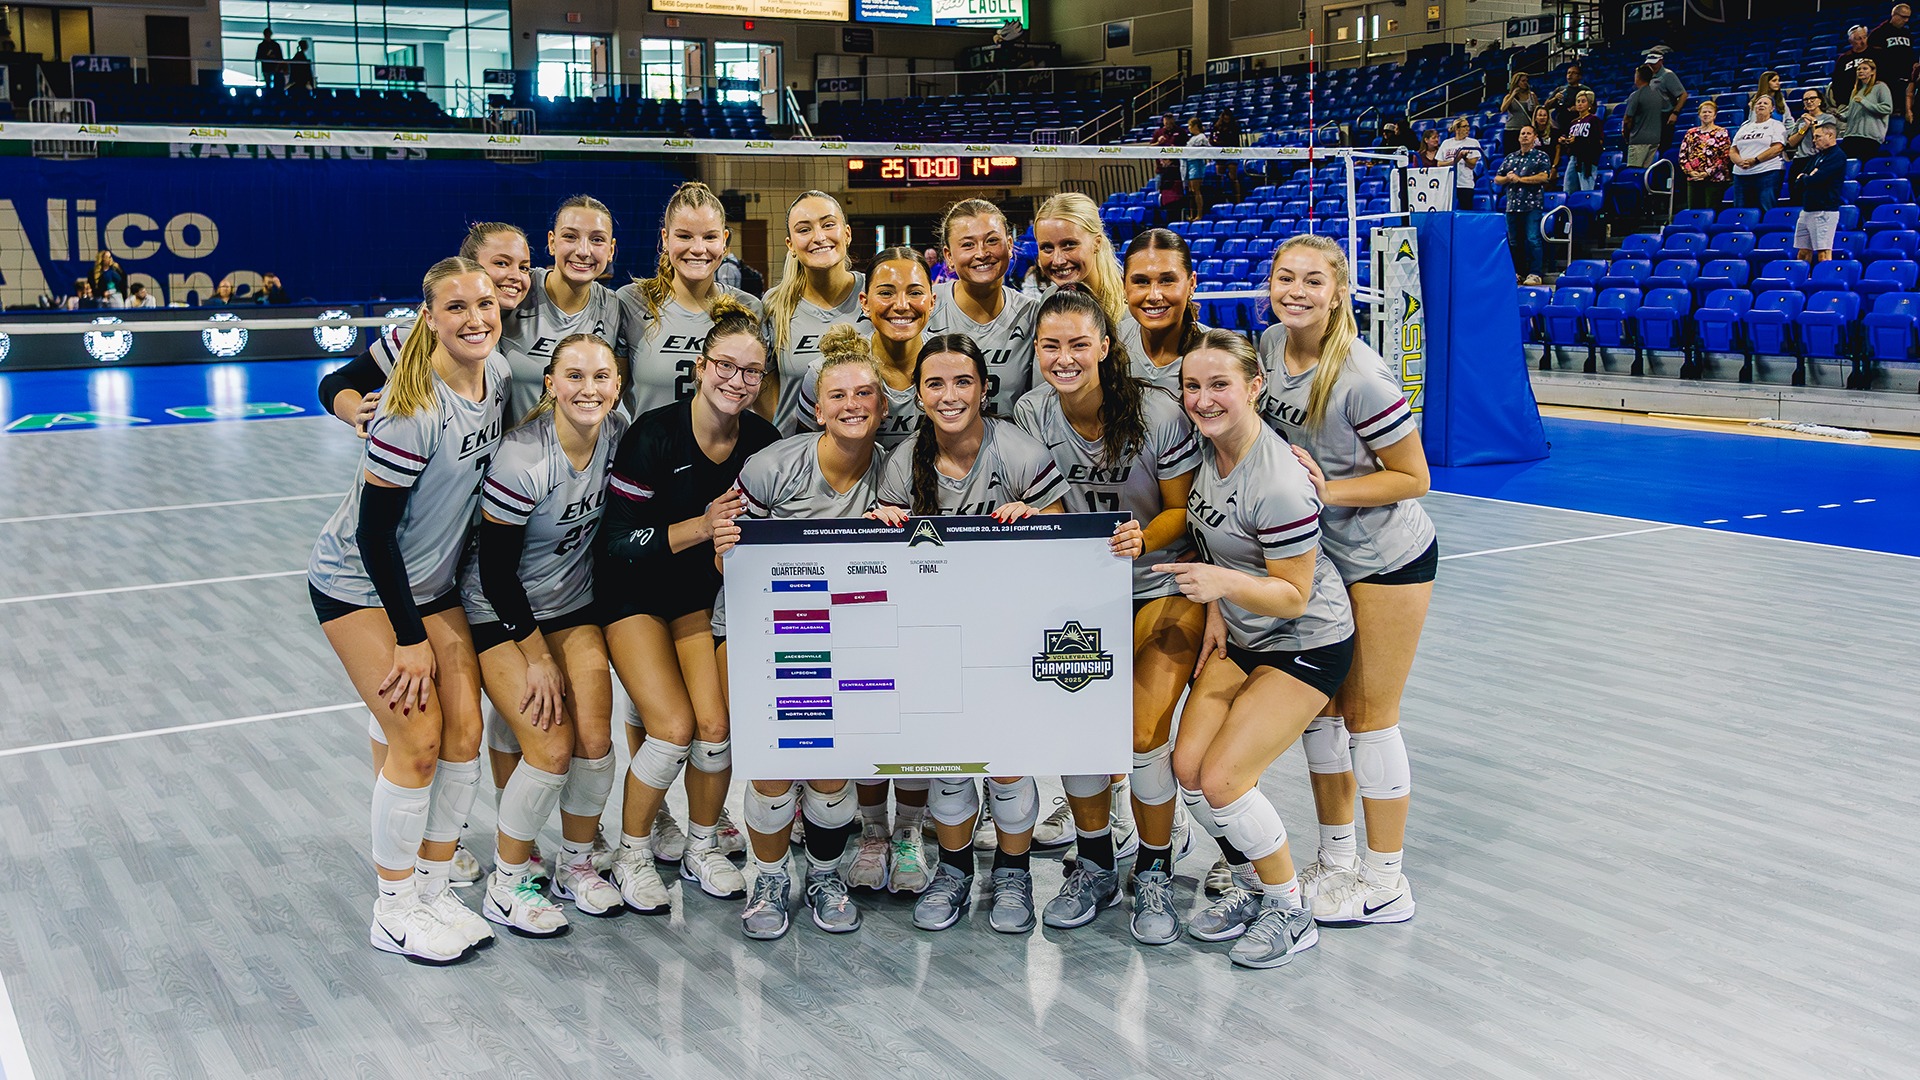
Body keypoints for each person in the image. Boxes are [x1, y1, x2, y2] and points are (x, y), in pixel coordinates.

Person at [307, 255, 509, 964]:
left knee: (463, 740)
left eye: (485, 303)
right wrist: (407, 637)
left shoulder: (501, 379)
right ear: (427, 319)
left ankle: (431, 891)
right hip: (361, 585)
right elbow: (371, 534)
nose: (475, 318)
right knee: (418, 744)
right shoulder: (410, 410)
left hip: (433, 582)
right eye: (456, 308)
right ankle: (392, 910)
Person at [1159, 328, 1355, 970]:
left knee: (1223, 778)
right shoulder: (1205, 448)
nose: (1205, 398)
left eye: (1221, 385)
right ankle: (1248, 885)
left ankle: (1289, 907)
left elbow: (1295, 595)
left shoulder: (1277, 480)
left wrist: (1222, 586)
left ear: (1255, 387)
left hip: (1305, 641)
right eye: (1194, 384)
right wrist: (1217, 604)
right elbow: (1216, 542)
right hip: (1241, 630)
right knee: (1186, 769)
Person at [1254, 234, 1434, 932]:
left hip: (1384, 559)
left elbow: (1414, 477)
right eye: (1283, 277)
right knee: (1322, 717)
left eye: (1310, 281)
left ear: (1339, 292)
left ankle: (1387, 880)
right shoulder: (1268, 349)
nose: (1294, 291)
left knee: (1369, 716)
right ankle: (1335, 860)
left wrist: (1327, 492)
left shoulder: (1360, 376)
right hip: (1319, 562)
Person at [868, 335, 1075, 934]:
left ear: (985, 388)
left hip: (1009, 627)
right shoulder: (904, 460)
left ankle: (1013, 873)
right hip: (934, 633)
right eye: (935, 383)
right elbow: (884, 564)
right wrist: (882, 525)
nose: (950, 394)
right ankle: (954, 868)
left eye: (963, 382)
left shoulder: (1018, 451)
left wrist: (1038, 521)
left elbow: (1066, 540)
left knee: (1008, 763)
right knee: (951, 763)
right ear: (917, 393)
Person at [1013, 287, 1199, 944]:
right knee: (1077, 725)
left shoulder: (1156, 412)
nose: (1063, 357)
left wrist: (1143, 536)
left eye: (1076, 344)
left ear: (1104, 348)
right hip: (1077, 591)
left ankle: (1151, 868)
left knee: (1143, 731)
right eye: (1050, 345)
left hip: (1158, 583)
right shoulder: (1031, 413)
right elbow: (1030, 503)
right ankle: (1094, 864)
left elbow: (1183, 509)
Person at [598, 295, 780, 915]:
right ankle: (632, 854)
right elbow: (617, 542)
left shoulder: (763, 441)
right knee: (672, 729)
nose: (737, 380)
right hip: (634, 595)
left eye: (751, 371)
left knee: (716, 728)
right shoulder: (653, 434)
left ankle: (703, 847)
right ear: (701, 366)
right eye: (725, 366)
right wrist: (700, 528)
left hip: (701, 600)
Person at [711, 325, 888, 940]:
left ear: (882, 405)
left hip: (850, 633)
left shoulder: (896, 475)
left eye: (865, 393)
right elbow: (723, 556)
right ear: (818, 408)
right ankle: (768, 876)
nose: (852, 404)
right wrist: (727, 545)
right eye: (838, 394)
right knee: (774, 760)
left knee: (833, 768)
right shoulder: (771, 467)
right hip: (764, 629)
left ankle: (824, 873)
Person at [463, 333, 627, 935]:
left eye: (602, 377)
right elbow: (496, 573)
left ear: (618, 385)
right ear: (551, 385)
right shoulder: (521, 460)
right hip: (496, 610)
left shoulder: (617, 431)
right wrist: (535, 656)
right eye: (575, 377)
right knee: (551, 747)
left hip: (572, 603)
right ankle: (509, 884)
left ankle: (577, 865)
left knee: (593, 741)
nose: (590, 389)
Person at [322, 222, 532, 439]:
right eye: (502, 263)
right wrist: (363, 415)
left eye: (524, 267)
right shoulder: (419, 334)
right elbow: (335, 383)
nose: (516, 275)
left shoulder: (518, 326)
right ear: (468, 266)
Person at [618, 181, 765, 418]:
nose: (698, 248)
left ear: (725, 240)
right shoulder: (632, 302)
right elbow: (609, 394)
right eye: (685, 236)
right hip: (648, 452)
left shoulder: (749, 309)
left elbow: (764, 405)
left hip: (725, 453)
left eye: (709, 237)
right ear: (665, 239)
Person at [501, 196, 625, 425]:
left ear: (611, 250)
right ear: (551, 242)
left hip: (581, 453)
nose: (583, 251)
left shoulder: (614, 307)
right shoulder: (517, 289)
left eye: (597, 240)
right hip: (514, 454)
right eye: (570, 236)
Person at [800, 247, 931, 455]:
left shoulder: (951, 364)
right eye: (886, 293)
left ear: (932, 302)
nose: (901, 305)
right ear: (865, 303)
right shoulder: (825, 373)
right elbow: (805, 451)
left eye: (915, 293)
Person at [760, 189, 866, 436]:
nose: (819, 237)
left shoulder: (876, 296)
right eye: (804, 229)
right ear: (791, 245)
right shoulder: (774, 305)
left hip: (863, 452)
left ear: (847, 234)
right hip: (794, 457)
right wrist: (787, 431)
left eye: (828, 225)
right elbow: (765, 384)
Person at [925, 198, 1037, 421]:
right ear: (948, 257)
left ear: (1010, 245)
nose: (982, 253)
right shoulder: (927, 308)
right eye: (968, 244)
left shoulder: (1032, 315)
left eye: (992, 241)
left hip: (1011, 445)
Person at [1119, 228, 1209, 393]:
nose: (1154, 296)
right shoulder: (1107, 345)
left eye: (1167, 280)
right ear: (1124, 286)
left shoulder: (1220, 354)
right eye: (1141, 281)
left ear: (1191, 283)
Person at [1033, 192, 1129, 331]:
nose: (1058, 260)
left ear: (1097, 243)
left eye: (1069, 244)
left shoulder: (1131, 306)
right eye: (1047, 248)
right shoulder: (1049, 298)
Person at [1494, 125, 1553, 285]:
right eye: (1522, 133)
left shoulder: (1541, 156)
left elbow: (1544, 177)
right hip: (1512, 205)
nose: (1525, 136)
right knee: (1514, 241)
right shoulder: (1511, 157)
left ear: (1535, 137)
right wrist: (1507, 178)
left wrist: (1520, 179)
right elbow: (1497, 179)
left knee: (1533, 239)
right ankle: (1517, 272)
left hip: (1532, 204)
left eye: (1528, 133)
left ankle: (1535, 273)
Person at [1796, 120, 1848, 264]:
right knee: (1803, 251)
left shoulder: (1837, 156)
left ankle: (1825, 282)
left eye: (1818, 137)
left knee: (1823, 252)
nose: (1814, 140)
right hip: (1807, 209)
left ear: (1830, 135)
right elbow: (1800, 178)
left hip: (1824, 211)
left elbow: (1816, 179)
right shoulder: (1818, 156)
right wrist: (1807, 177)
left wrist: (1807, 178)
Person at [1729, 96, 1788, 212]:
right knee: (1741, 211)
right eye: (1759, 103)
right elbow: (1733, 149)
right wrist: (1739, 162)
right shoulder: (1745, 126)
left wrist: (1755, 160)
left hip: (1767, 172)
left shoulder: (1776, 125)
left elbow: (1778, 147)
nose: (1761, 105)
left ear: (1772, 109)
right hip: (1741, 174)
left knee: (1765, 207)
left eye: (1765, 103)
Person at [1678, 100, 1734, 211]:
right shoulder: (1691, 133)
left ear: (1715, 115)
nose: (1706, 114)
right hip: (1693, 178)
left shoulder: (1721, 132)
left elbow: (1724, 157)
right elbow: (1683, 155)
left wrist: (1707, 173)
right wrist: (1690, 172)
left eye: (1709, 112)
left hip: (1715, 178)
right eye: (1704, 112)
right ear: (1699, 115)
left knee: (1711, 210)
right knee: (1694, 210)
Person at [1838, 58, 1894, 160]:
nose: (1860, 71)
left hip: (1870, 137)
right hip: (1851, 136)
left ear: (1872, 71)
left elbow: (1887, 109)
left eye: (1865, 68)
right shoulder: (1855, 91)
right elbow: (1850, 113)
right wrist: (1840, 116)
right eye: (1858, 69)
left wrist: (1864, 102)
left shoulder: (1880, 87)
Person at [1871, 4, 1915, 123]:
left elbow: (1911, 55)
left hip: (1906, 81)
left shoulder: (1907, 34)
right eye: (1903, 17)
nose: (1906, 20)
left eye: (1908, 18)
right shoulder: (1878, 33)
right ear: (1894, 15)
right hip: (1887, 81)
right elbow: (1875, 59)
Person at [1559, 91, 1602, 193]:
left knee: (1586, 188)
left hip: (1588, 159)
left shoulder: (1594, 120)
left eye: (1583, 101)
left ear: (1590, 104)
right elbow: (1569, 137)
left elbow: (1597, 141)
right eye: (1578, 101)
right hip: (1574, 158)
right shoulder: (1573, 122)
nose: (1580, 103)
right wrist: (1565, 140)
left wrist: (1577, 140)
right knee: (1568, 188)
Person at [1624, 65, 1665, 169]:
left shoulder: (1636, 95)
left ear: (1638, 77)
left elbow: (1627, 119)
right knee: (1647, 174)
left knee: (1635, 172)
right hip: (1655, 139)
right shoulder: (1658, 95)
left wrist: (1626, 135)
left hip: (1638, 140)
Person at [1646, 51, 1689, 151]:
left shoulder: (1668, 75)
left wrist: (1675, 113)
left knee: (1663, 146)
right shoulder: (1647, 76)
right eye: (1649, 63)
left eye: (1654, 62)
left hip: (1665, 116)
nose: (1651, 65)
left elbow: (1683, 95)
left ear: (1661, 61)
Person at [1436, 117, 1483, 209]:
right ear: (1457, 129)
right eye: (1464, 126)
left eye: (1468, 126)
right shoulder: (1446, 143)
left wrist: (1464, 158)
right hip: (1448, 183)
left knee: (1466, 209)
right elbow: (1439, 164)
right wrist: (1455, 160)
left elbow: (1472, 165)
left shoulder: (1473, 143)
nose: (1467, 129)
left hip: (1465, 183)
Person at [1833, 25, 1874, 106]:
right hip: (1849, 102)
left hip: (1872, 99)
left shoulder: (1877, 53)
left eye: (1865, 37)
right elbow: (1837, 82)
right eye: (1858, 39)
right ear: (1851, 41)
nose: (1863, 41)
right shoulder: (1844, 59)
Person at [1500, 72, 1540, 155]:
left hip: (1526, 130)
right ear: (1517, 82)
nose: (1525, 83)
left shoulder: (1532, 95)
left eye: (1526, 81)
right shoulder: (1509, 97)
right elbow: (1503, 109)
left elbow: (1537, 110)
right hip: (1512, 130)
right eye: (1523, 81)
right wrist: (1512, 95)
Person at [1544, 65, 1591, 132]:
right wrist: (1555, 98)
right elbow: (1546, 106)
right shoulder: (1560, 89)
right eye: (1568, 73)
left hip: (1579, 125)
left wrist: (1578, 108)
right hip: (1560, 125)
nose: (1570, 75)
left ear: (1579, 76)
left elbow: (1593, 108)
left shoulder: (1585, 90)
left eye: (1573, 73)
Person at [1213, 108, 1244, 203]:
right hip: (1220, 154)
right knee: (1219, 177)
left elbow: (1235, 142)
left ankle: (1237, 200)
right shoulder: (1216, 127)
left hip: (1231, 153)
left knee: (1233, 177)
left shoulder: (1235, 127)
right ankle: (1221, 199)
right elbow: (1213, 139)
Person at [1184, 117, 1210, 222]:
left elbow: (1208, 148)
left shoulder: (1201, 137)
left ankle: (1199, 214)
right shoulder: (1192, 138)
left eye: (1190, 126)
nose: (1189, 128)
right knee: (1191, 191)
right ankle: (1192, 214)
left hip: (1196, 164)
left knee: (1196, 190)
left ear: (1195, 126)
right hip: (1189, 163)